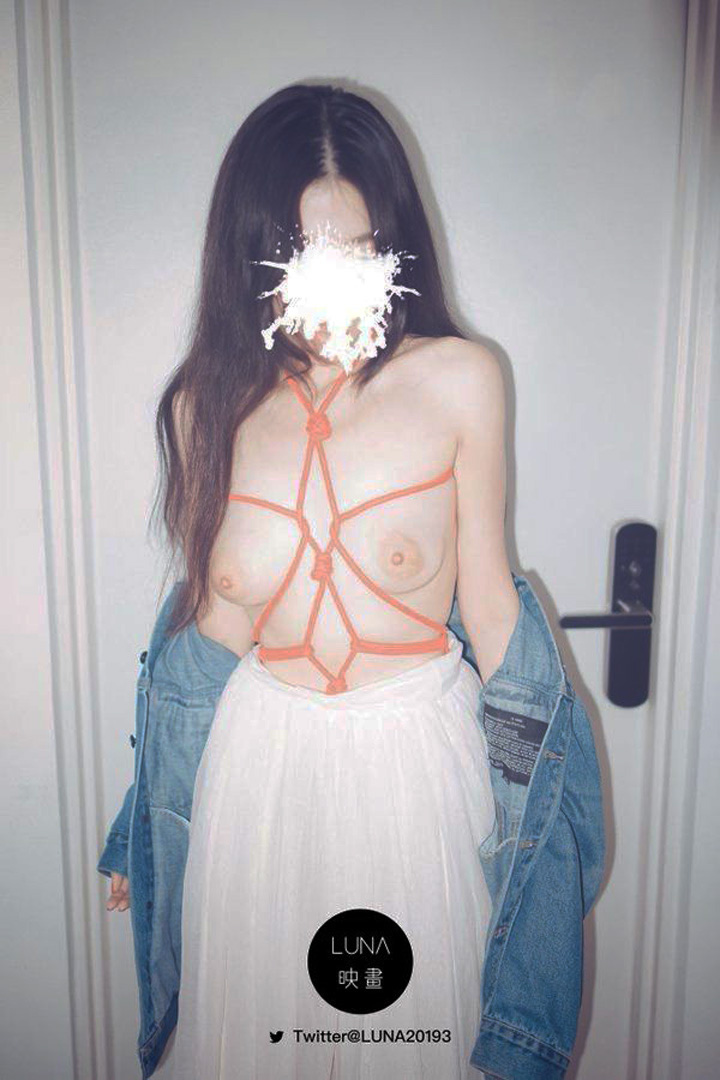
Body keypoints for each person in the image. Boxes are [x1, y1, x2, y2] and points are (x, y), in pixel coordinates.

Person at [107, 81, 520, 1080]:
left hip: (414, 770)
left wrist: (541, 828)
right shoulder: (205, 407)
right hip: (259, 772)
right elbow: (210, 632)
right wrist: (143, 820)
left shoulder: (461, 378)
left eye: (361, 251)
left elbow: (495, 610)